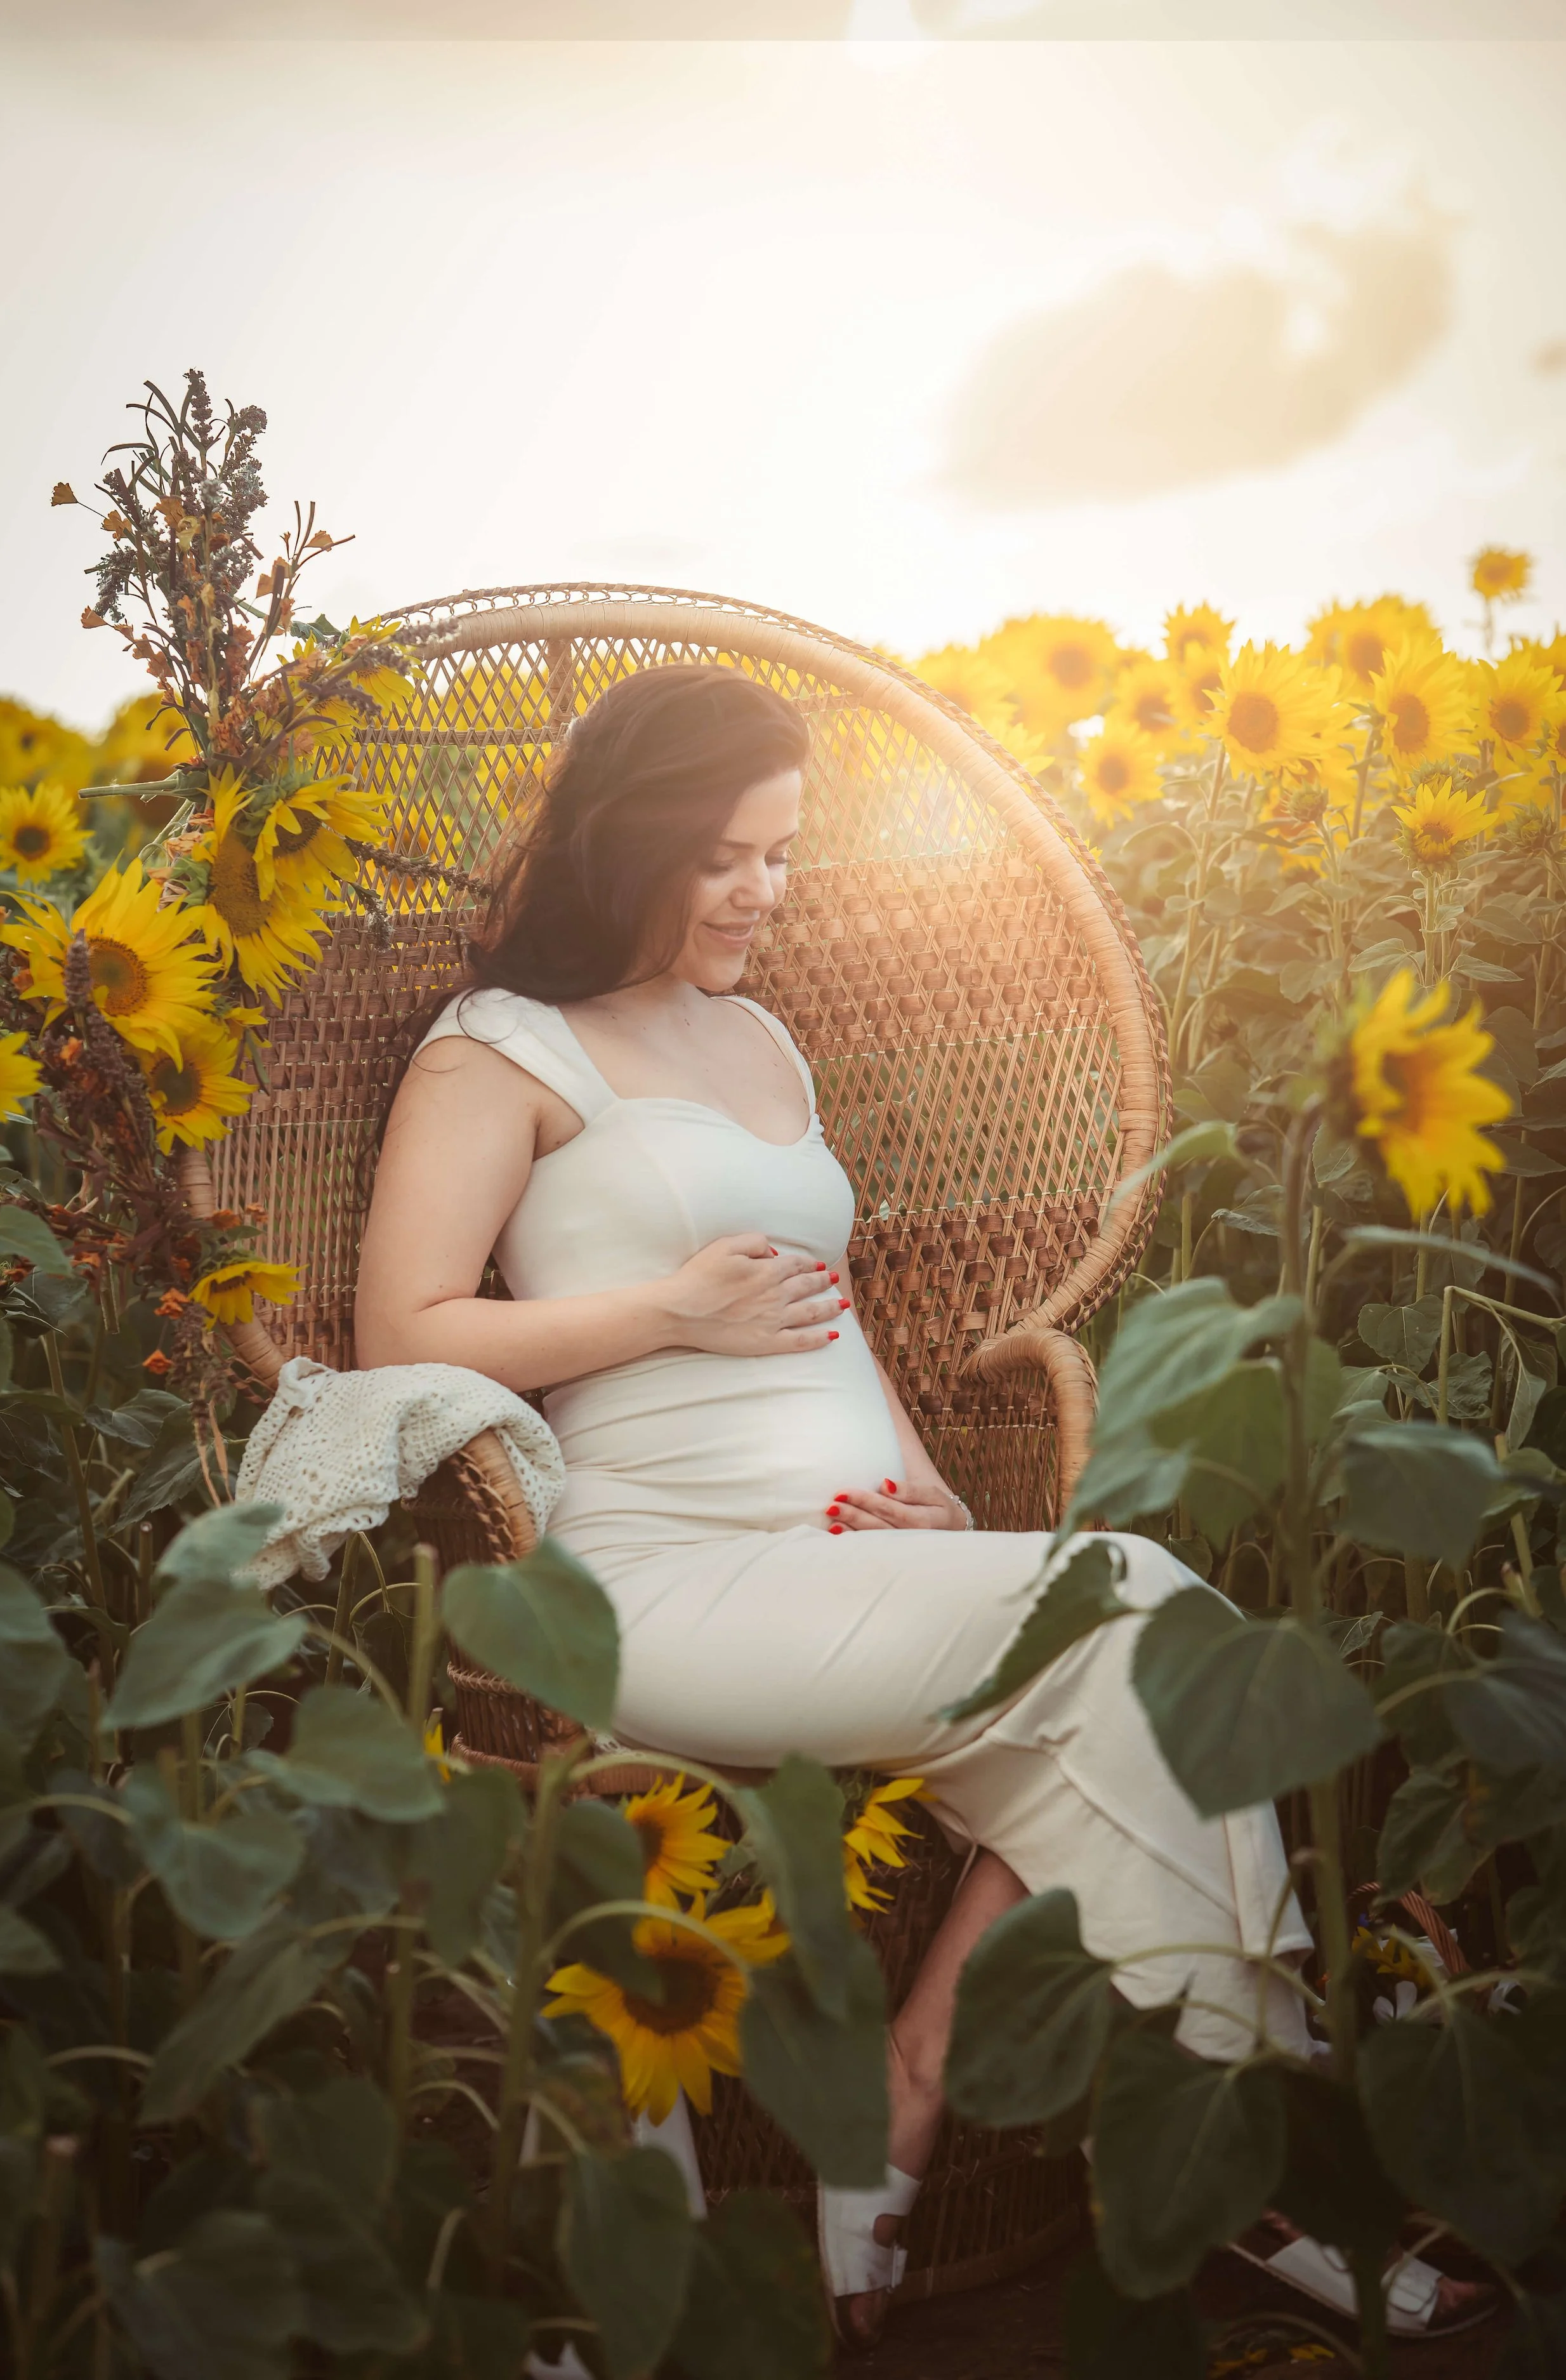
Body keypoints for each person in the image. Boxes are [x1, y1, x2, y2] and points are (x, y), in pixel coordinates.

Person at [355, 662, 1473, 2347]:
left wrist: (937, 1485)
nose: (761, 892)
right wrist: (667, 1310)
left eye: (782, 853)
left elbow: (829, 1296)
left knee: (1126, 1681)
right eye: (725, 855)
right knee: (1151, 1621)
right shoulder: (498, 1050)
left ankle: (940, 2087)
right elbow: (402, 1332)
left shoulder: (757, 1035)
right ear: (630, 845)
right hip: (647, 1583)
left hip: (843, 1569)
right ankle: (1243, 2151)